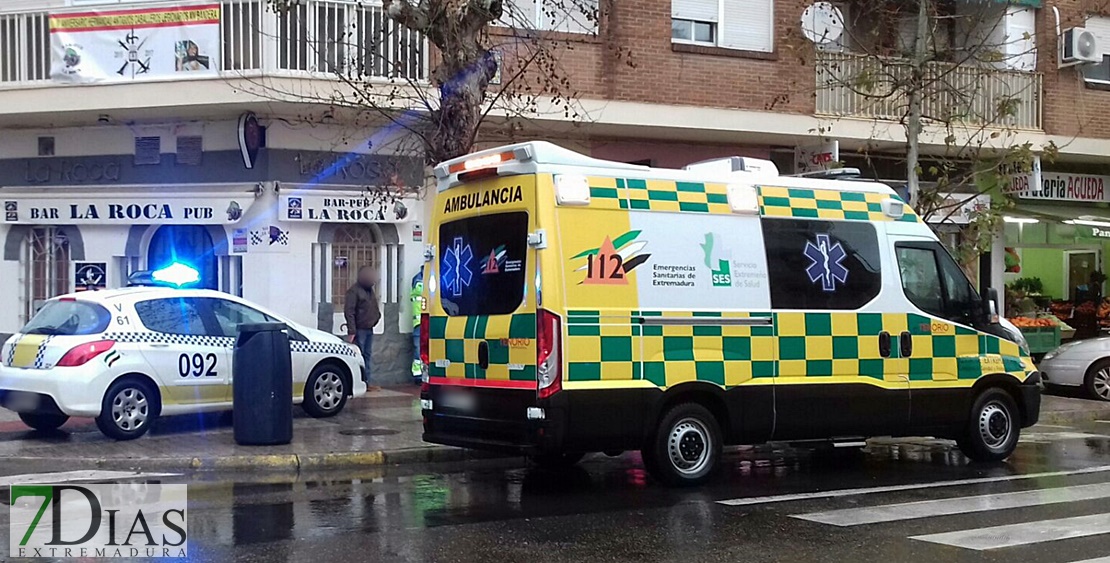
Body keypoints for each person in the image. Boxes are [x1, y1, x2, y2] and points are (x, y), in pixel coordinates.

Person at [345, 266, 381, 390]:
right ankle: (361, 382)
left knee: (367, 356)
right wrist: (352, 331)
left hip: (369, 328)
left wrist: (376, 318)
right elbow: (349, 312)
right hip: (359, 330)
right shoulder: (354, 291)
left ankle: (367, 382)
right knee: (359, 357)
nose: (373, 279)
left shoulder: (369, 291)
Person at [410, 269, 425, 384]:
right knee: (418, 349)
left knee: (421, 349)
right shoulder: (418, 280)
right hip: (419, 323)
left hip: (427, 321)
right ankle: (418, 375)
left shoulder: (419, 279)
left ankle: (421, 374)